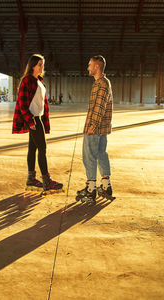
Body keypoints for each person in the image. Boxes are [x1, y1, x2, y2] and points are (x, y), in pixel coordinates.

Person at [12, 54, 63, 191]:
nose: (42, 67)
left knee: (33, 148)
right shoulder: (27, 80)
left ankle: (31, 178)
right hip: (33, 119)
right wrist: (30, 121)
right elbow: (22, 104)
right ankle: (47, 181)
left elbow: (42, 102)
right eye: (39, 64)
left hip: (38, 118)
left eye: (43, 64)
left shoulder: (39, 80)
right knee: (42, 148)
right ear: (32, 65)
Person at [76, 55, 114, 205]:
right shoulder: (103, 83)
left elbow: (99, 107)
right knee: (101, 154)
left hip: (95, 128)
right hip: (102, 128)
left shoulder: (101, 84)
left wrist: (92, 126)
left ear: (97, 67)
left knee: (89, 156)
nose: (88, 67)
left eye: (90, 65)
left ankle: (91, 189)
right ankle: (105, 185)